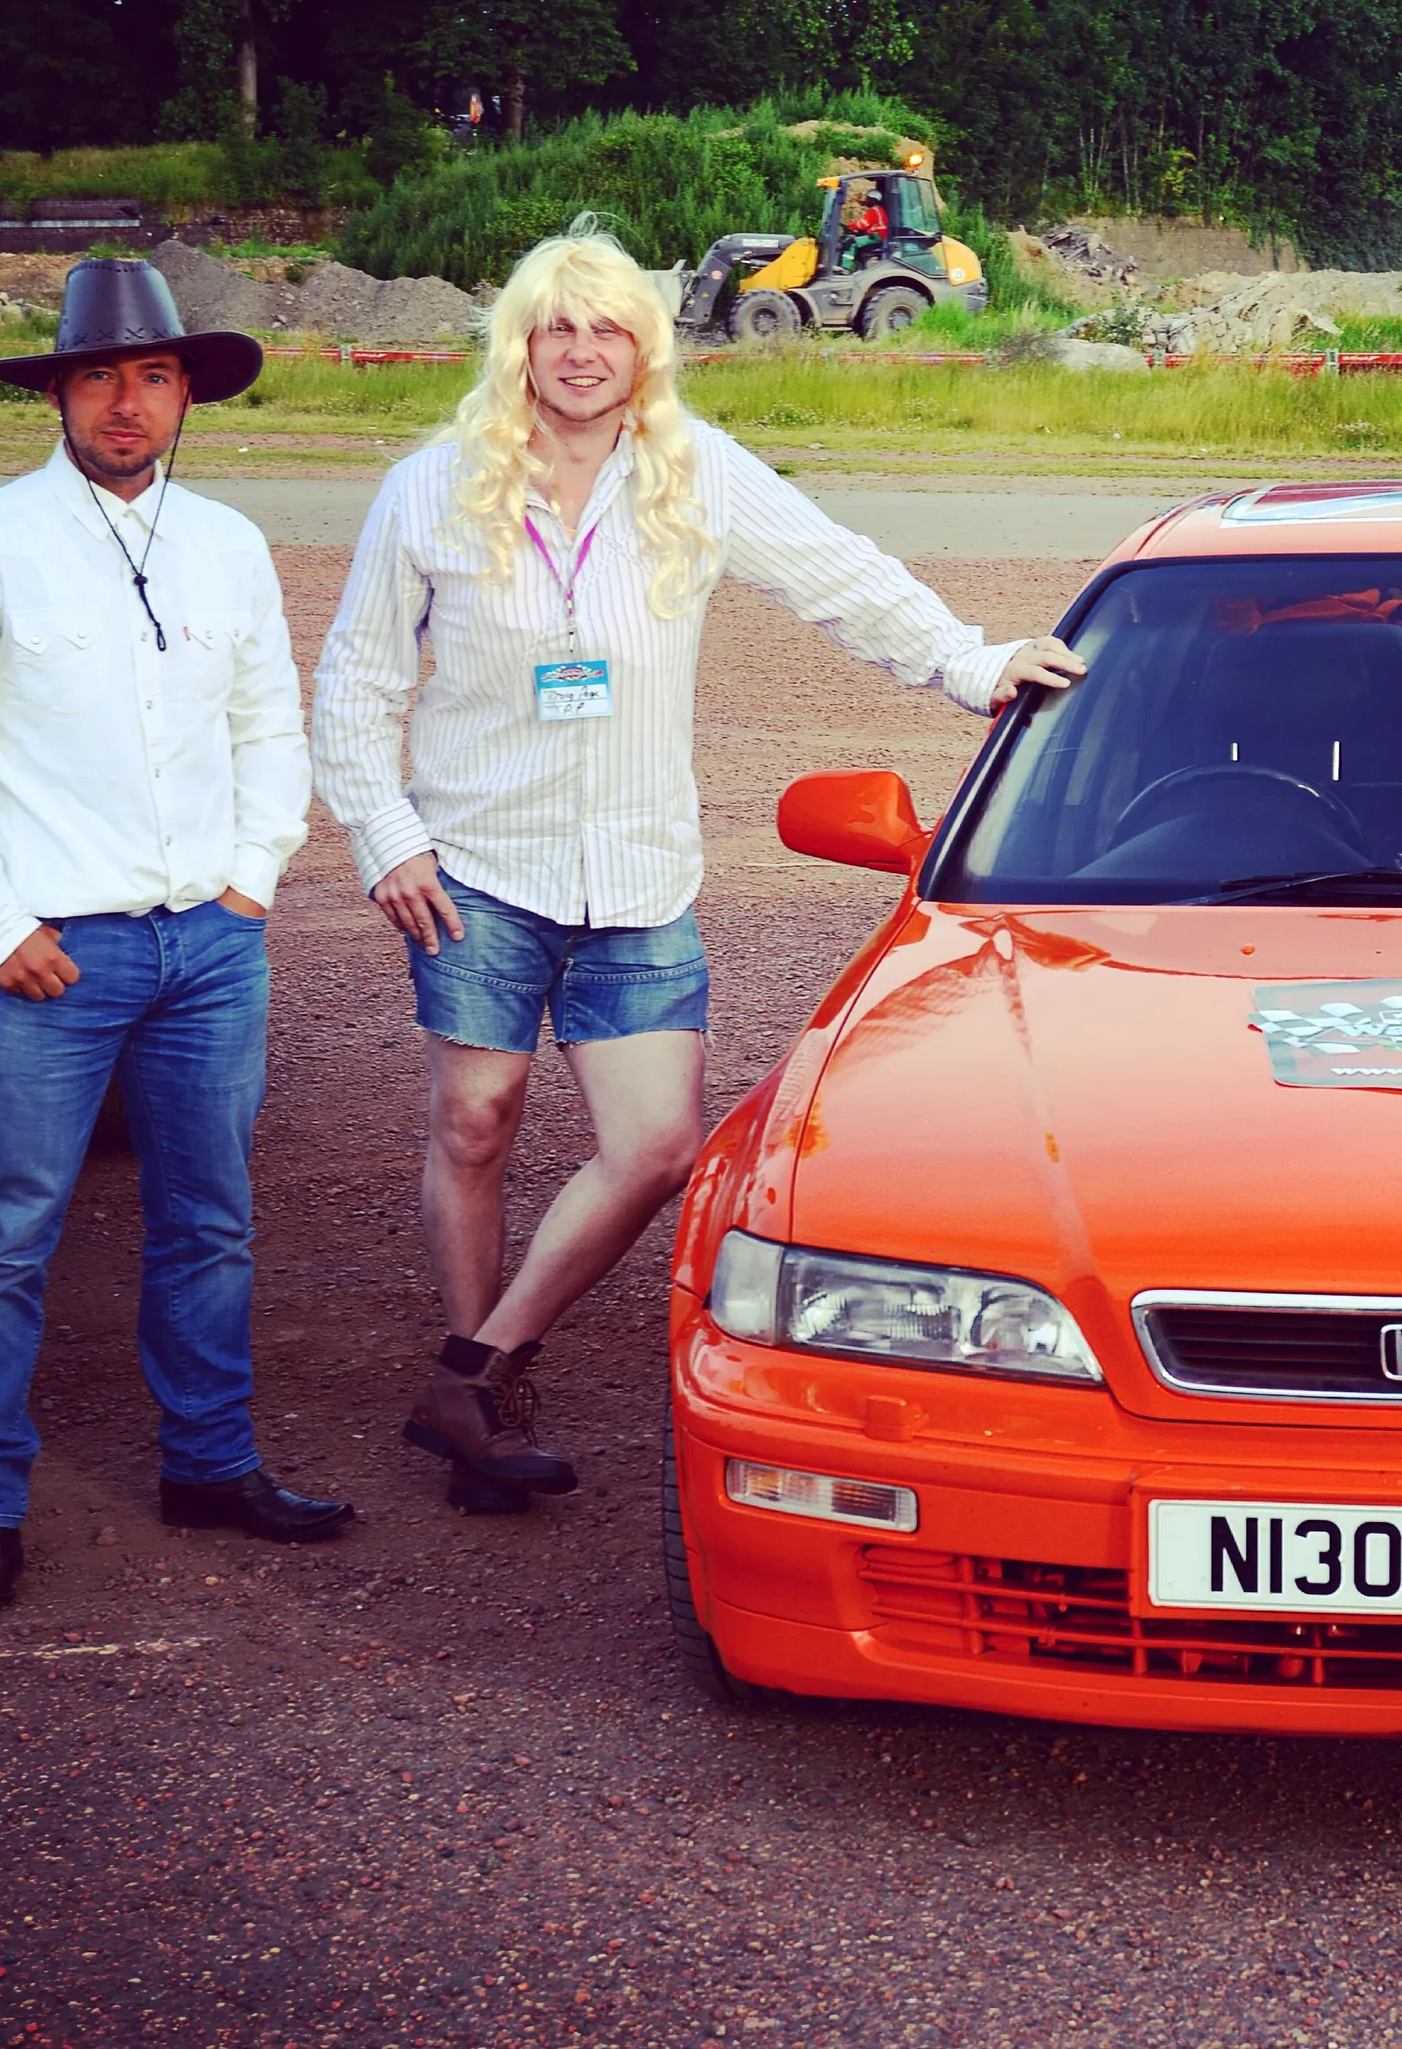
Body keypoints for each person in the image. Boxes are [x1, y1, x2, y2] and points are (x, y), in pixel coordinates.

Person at [311, 225, 1084, 1515]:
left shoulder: (694, 474)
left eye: (609, 329)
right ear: (521, 344)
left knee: (660, 1142)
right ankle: (485, 1406)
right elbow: (356, 683)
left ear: (646, 350)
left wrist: (970, 660)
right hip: (477, 870)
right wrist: (388, 839)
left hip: (639, 875)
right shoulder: (431, 489)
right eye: (559, 328)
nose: (582, 353)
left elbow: (841, 578)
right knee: (474, 1120)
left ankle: (475, 1362)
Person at [0, 259, 352, 1612]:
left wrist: (254, 878)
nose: (125, 400)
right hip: (53, 957)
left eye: (152, 374)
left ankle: (210, 1464)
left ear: (184, 393)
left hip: (209, 949)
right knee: (5, 1234)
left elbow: (270, 724)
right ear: (55, 389)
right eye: (97, 373)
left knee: (208, 1221)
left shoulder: (223, 542)